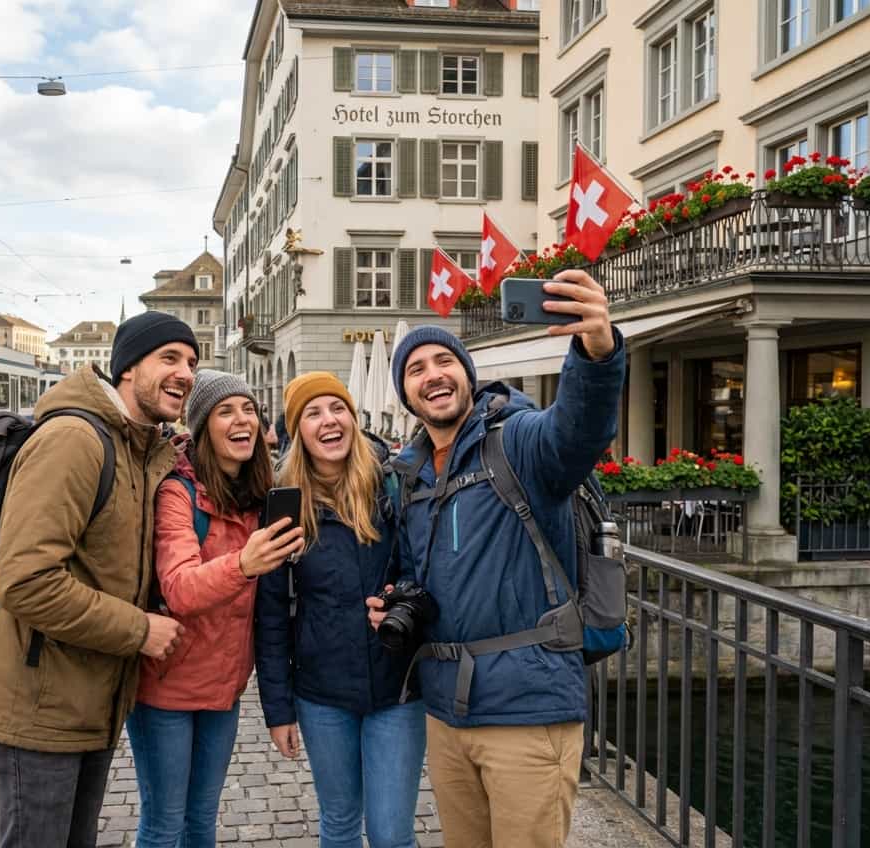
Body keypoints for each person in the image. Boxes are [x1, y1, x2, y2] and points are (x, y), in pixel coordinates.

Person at [372, 270, 625, 848]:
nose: (432, 375)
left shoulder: (518, 441)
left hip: (527, 710)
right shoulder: (408, 476)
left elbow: (579, 429)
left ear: (467, 373)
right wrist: (394, 604)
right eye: (415, 369)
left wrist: (596, 351)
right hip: (446, 712)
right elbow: (420, 576)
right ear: (405, 393)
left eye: (444, 362)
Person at [0, 311, 199, 848]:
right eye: (169, 357)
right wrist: (139, 629)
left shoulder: (139, 447)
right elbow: (25, 580)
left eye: (191, 361)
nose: (185, 372)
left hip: (88, 698)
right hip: (40, 700)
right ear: (126, 370)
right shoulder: (76, 438)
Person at [128, 370, 304, 848]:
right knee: (164, 824)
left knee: (202, 820)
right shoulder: (177, 492)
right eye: (226, 411)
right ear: (203, 427)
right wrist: (245, 563)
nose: (242, 418)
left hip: (223, 690)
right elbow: (181, 588)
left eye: (248, 409)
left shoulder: (260, 498)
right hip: (166, 688)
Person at [256, 372, 423, 848]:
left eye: (337, 409)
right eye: (313, 413)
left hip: (398, 689)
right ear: (298, 432)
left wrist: (401, 600)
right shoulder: (284, 507)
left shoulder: (392, 488)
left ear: (352, 417)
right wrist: (277, 710)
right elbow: (270, 616)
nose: (328, 421)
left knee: (392, 835)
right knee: (341, 824)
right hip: (321, 694)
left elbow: (423, 572)